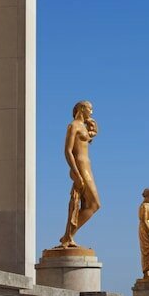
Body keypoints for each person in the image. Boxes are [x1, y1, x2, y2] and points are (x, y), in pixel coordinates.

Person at [59, 100, 101, 247]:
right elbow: (68, 150)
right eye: (90, 109)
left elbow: (88, 138)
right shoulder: (73, 125)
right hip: (81, 168)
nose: (91, 112)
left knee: (91, 205)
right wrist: (76, 173)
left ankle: (68, 236)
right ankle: (67, 236)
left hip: (87, 167)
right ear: (82, 108)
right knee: (95, 204)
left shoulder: (82, 126)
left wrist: (93, 129)